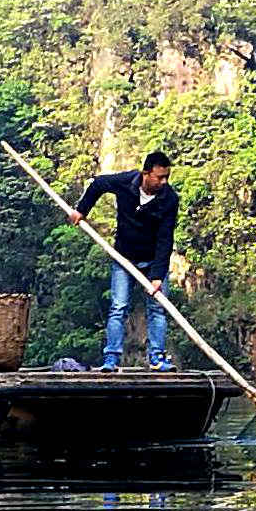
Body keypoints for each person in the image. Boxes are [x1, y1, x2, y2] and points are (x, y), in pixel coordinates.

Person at [72, 151, 179, 370]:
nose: (163, 182)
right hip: (124, 257)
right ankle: (111, 359)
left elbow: (165, 239)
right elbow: (98, 184)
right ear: (146, 174)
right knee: (118, 307)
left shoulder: (169, 199)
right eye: (159, 177)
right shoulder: (126, 182)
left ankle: (157, 358)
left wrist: (157, 276)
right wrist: (82, 210)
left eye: (166, 177)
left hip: (153, 261)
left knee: (157, 309)